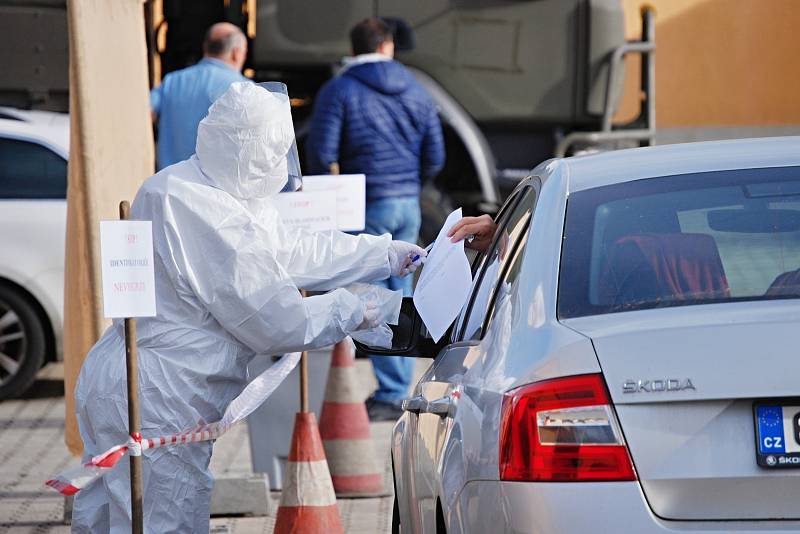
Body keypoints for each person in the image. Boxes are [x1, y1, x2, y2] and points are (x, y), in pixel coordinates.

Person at [71, 82, 425, 533]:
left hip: (136, 382)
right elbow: (275, 321)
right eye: (275, 153)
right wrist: (356, 308)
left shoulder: (192, 184)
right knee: (164, 522)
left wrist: (383, 255)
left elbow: (291, 249)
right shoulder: (202, 207)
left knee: (107, 519)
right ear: (252, 152)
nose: (280, 165)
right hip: (160, 394)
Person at [306, 18, 445, 420]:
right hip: (407, 200)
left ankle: (390, 392)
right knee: (401, 291)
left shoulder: (340, 89)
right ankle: (401, 384)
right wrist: (411, 181)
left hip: (367, 202)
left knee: (370, 295)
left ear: (354, 47)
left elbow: (322, 150)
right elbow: (435, 154)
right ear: (388, 46)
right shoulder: (417, 87)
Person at [150, 22, 249, 170]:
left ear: (205, 48)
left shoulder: (172, 81)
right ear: (236, 53)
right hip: (216, 191)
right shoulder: (246, 89)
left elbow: (144, 112)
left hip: (169, 187)